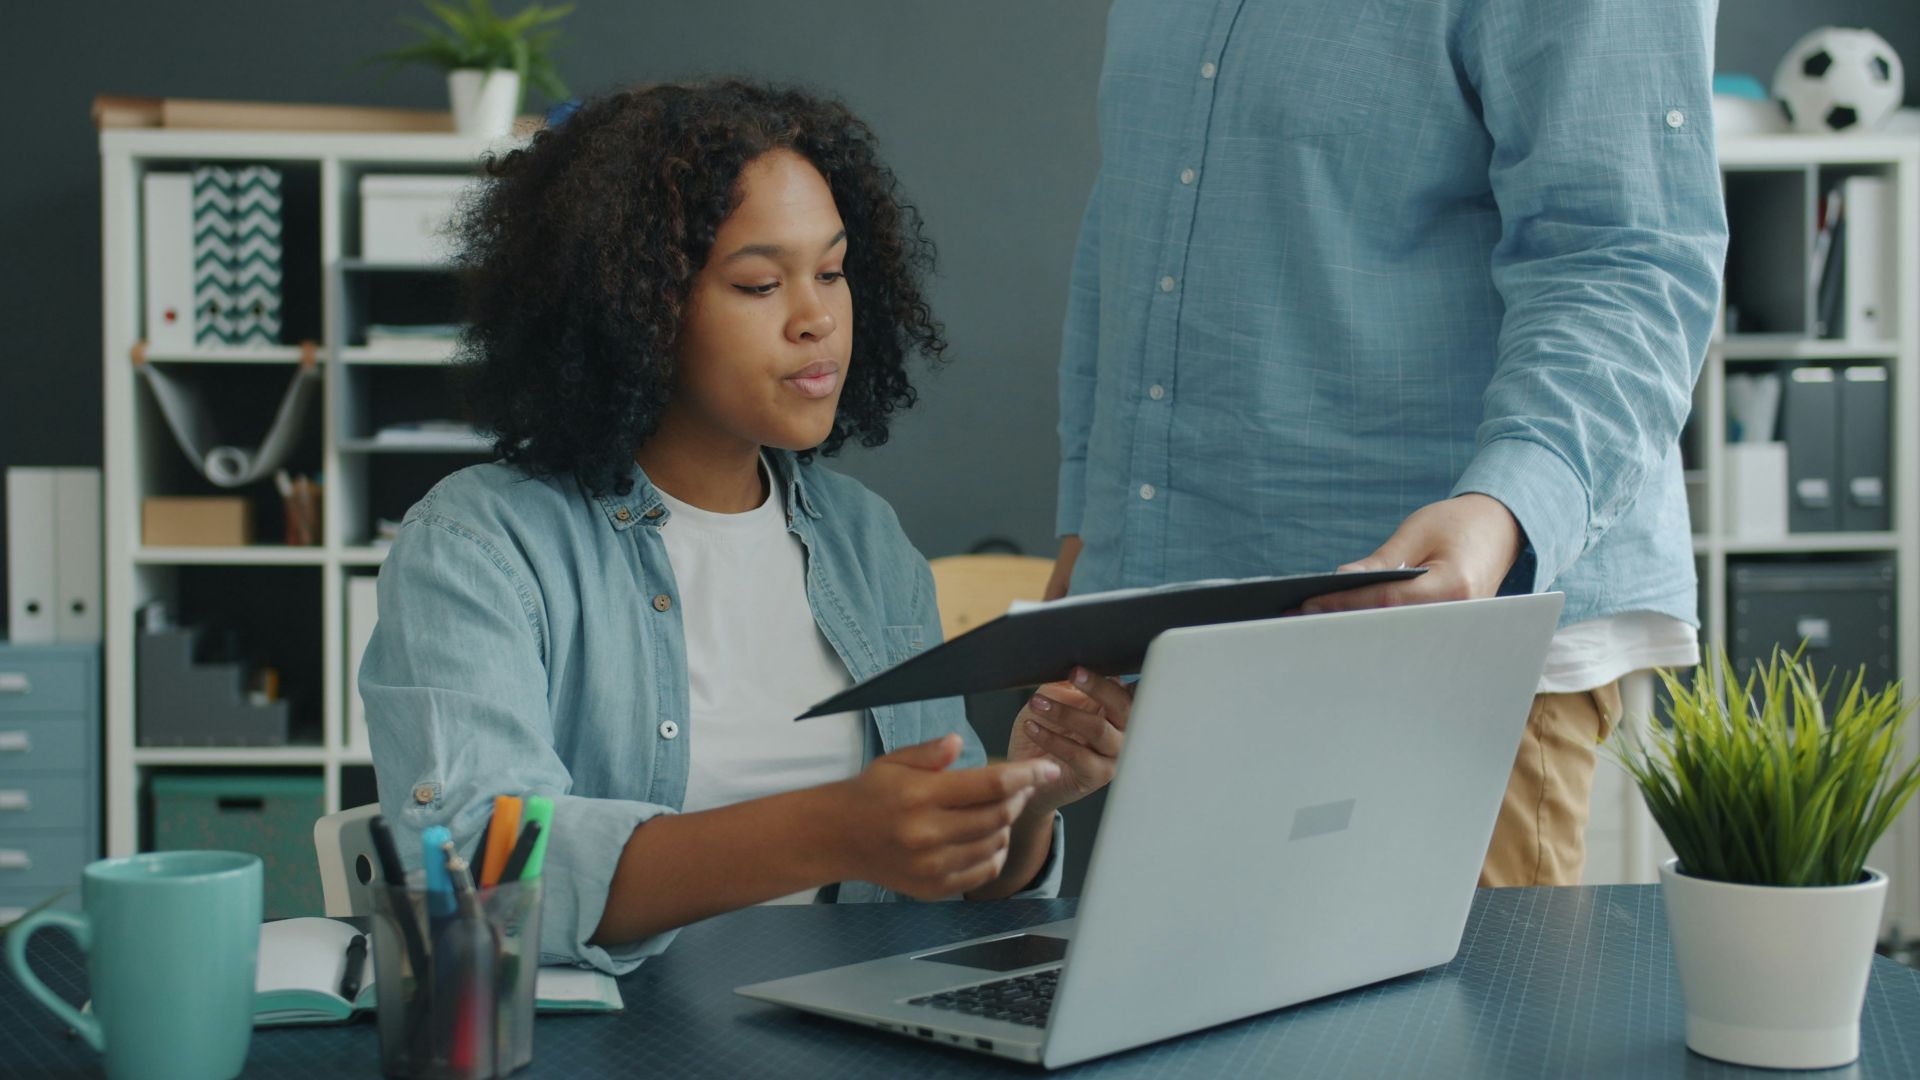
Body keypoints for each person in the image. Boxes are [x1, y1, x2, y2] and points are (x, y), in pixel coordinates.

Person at [362, 80, 1130, 973]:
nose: (817, 318)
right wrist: (828, 830)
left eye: (834, 272)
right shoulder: (480, 544)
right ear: (635, 309)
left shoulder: (866, 542)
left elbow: (951, 893)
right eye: (760, 282)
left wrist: (1028, 799)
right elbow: (478, 866)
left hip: (848, 1034)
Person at [1047, 0, 1727, 886]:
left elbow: (1626, 253)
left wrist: (1502, 513)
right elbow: (1133, 212)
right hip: (1192, 630)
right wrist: (1092, 526)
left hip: (1448, 635)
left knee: (1456, 1027)